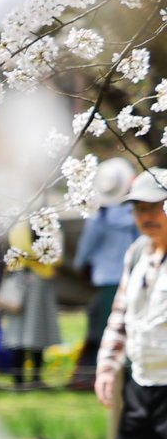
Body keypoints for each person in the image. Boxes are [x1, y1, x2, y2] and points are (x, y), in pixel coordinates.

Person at [97, 169, 167, 439]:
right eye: (139, 209)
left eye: (154, 207)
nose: (146, 216)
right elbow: (121, 312)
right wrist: (107, 365)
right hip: (142, 384)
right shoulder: (136, 253)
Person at [74, 160, 140, 386]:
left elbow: (85, 249)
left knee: (105, 330)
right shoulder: (135, 215)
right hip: (130, 277)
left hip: (105, 280)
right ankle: (127, 372)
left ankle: (99, 374)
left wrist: (79, 264)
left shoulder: (98, 219)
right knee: (129, 326)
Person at [0, 220, 62, 386]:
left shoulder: (29, 224)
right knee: (28, 332)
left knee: (30, 332)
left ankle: (28, 378)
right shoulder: (28, 223)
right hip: (30, 282)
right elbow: (54, 255)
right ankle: (26, 378)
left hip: (30, 282)